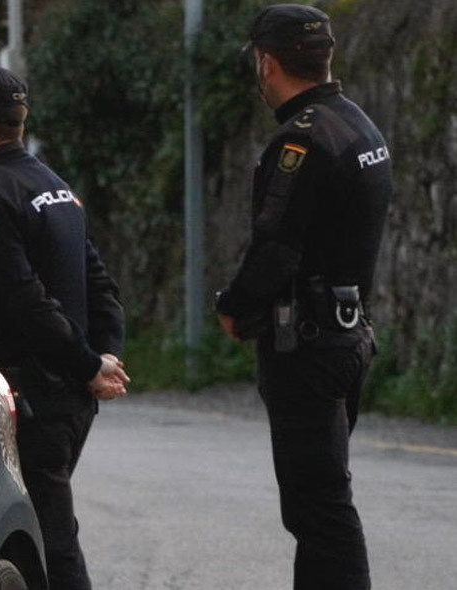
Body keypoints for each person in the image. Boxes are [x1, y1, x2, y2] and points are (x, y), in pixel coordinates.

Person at [0, 62, 129, 589]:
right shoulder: (53, 186)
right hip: (69, 397)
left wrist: (87, 366)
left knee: (49, 545)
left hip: (30, 399)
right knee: (41, 535)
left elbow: (23, 300)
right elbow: (102, 288)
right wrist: (103, 361)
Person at [216, 5, 392, 589]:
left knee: (318, 511)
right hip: (348, 335)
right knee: (322, 504)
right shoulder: (359, 126)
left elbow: (276, 249)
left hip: (309, 348)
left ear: (267, 63)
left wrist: (235, 308)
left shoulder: (302, 142)